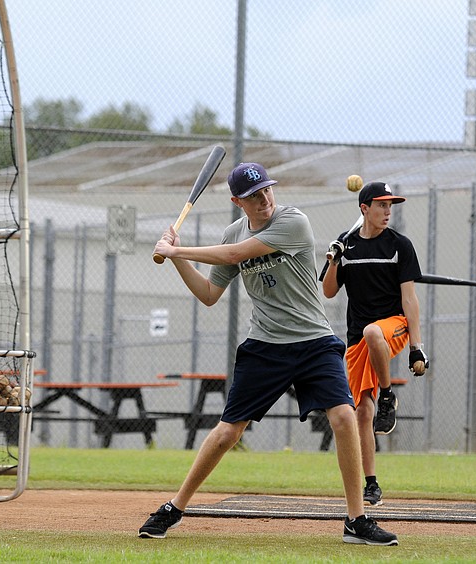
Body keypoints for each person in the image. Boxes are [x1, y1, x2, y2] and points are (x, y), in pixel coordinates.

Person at [140, 162, 398, 545]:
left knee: (344, 416)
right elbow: (210, 295)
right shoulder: (233, 232)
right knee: (228, 431)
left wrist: (179, 247)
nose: (264, 199)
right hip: (265, 346)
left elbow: (233, 255)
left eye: (266, 190)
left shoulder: (293, 222)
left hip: (314, 342)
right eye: (253, 196)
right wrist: (178, 257)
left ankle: (356, 520)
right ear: (236, 202)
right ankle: (174, 509)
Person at [320, 181, 428, 507]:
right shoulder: (346, 245)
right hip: (358, 338)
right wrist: (334, 259)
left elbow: (409, 298)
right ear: (364, 208)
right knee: (361, 412)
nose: (387, 211)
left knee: (373, 332)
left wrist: (416, 346)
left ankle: (388, 396)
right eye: (381, 205)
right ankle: (371, 484)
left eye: (390, 205)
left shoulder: (399, 245)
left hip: (393, 327)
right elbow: (327, 291)